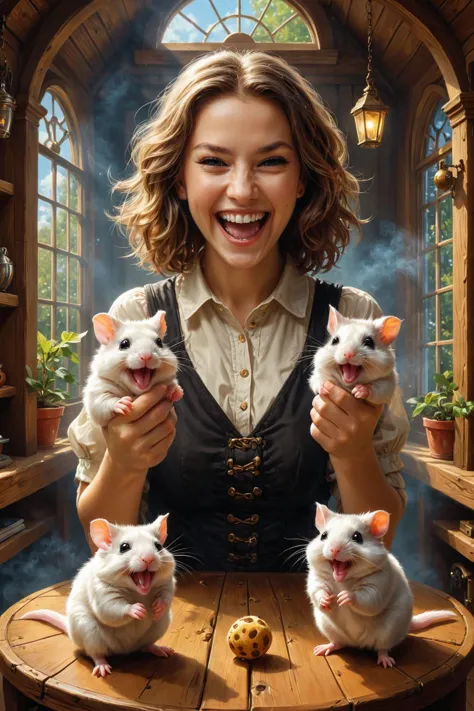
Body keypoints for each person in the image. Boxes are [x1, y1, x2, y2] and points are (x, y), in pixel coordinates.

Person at [69, 49, 409, 570]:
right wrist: (123, 460)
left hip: (317, 633)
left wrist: (353, 449)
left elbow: (382, 526)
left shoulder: (354, 319)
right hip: (167, 629)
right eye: (213, 161)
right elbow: (98, 529)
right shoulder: (136, 318)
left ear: (303, 179)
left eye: (271, 161)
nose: (243, 189)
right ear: (179, 179)